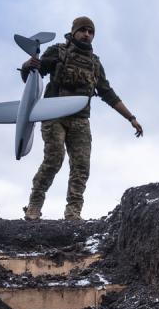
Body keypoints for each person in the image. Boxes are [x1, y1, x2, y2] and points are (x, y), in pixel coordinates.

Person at [19, 16, 143, 221]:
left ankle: (73, 212)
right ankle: (33, 206)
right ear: (74, 31)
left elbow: (107, 93)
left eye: (91, 32)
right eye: (83, 30)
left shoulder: (94, 63)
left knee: (81, 166)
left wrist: (131, 118)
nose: (87, 34)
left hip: (80, 120)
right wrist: (27, 66)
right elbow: (33, 78)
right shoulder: (58, 52)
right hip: (53, 115)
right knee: (54, 160)